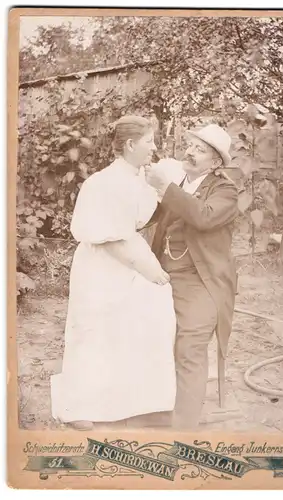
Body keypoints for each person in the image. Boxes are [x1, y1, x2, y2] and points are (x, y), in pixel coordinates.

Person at [51, 115, 177, 430]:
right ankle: (78, 406)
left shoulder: (138, 179)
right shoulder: (101, 183)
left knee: (143, 321)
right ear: (131, 144)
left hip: (130, 255)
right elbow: (108, 240)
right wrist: (147, 267)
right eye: (149, 141)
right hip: (102, 264)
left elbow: (140, 221)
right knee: (93, 331)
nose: (154, 148)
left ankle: (136, 403)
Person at [145, 123, 239, 429]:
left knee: (189, 348)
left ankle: (182, 431)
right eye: (191, 146)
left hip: (202, 281)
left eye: (200, 150)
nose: (190, 152)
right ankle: (155, 408)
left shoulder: (225, 190)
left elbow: (204, 216)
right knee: (149, 338)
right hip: (162, 274)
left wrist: (167, 189)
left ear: (215, 163)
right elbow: (150, 219)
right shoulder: (179, 182)